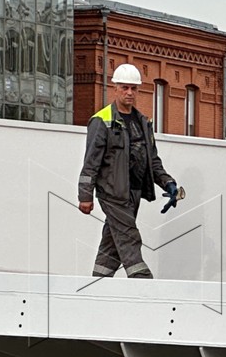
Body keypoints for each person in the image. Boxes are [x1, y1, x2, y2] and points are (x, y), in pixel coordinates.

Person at [77, 63, 183, 279]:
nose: (129, 93)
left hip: (134, 193)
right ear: (115, 88)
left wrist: (168, 183)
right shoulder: (102, 121)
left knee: (112, 243)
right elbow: (91, 162)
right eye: (125, 87)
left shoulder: (142, 123)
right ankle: (143, 283)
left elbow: (152, 160)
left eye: (134, 88)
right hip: (112, 193)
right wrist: (85, 196)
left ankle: (98, 284)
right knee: (129, 238)